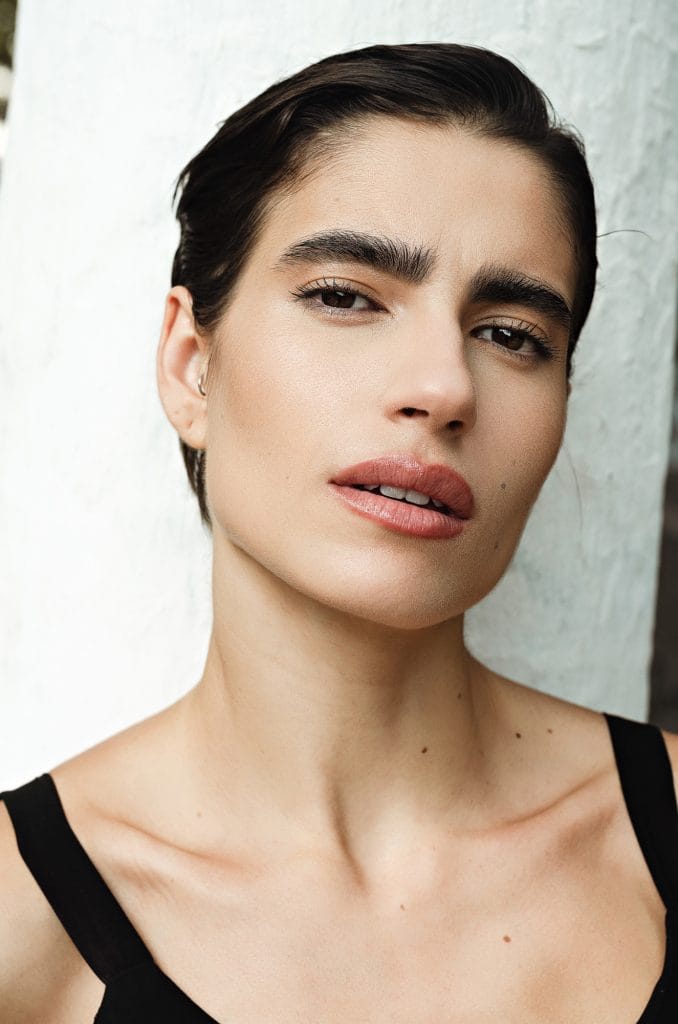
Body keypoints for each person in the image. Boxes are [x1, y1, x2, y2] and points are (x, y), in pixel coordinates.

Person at [0, 41, 675, 1023]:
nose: (443, 386)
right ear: (191, 364)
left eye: (511, 334)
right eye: (345, 296)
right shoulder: (19, 920)